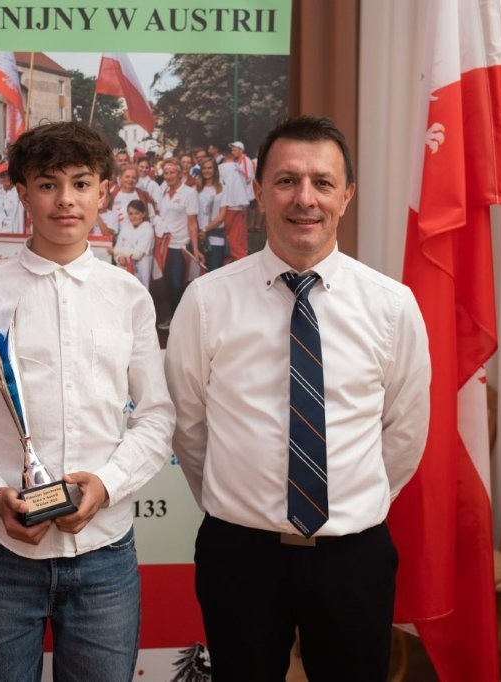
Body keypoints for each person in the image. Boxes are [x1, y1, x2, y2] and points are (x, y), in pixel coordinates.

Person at [164, 115, 431, 681]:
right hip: (240, 556)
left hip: (353, 556)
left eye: (322, 182)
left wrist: (355, 504)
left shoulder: (392, 306)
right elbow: (189, 428)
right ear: (260, 193)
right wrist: (240, 502)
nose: (304, 198)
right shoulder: (207, 302)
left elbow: (405, 433)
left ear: (347, 195)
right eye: (286, 181)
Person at [0, 121, 174, 682]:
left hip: (106, 553)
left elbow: (157, 417)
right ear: (22, 193)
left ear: (104, 190)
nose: (66, 200)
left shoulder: (129, 296)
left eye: (81, 183)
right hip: (2, 557)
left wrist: (106, 485)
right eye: (48, 184)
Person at [155, 158, 203, 327]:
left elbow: (192, 223)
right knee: (167, 283)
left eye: (172, 172)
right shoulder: (163, 192)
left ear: (180, 173)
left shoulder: (189, 193)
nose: (168, 176)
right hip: (164, 246)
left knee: (177, 284)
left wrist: (195, 249)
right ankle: (175, 318)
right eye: (166, 173)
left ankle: (181, 321)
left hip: (180, 245)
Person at [110, 199, 155, 287]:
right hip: (123, 272)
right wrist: (119, 258)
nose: (133, 217)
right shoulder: (125, 228)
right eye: (130, 214)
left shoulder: (147, 230)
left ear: (143, 214)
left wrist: (116, 250)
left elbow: (137, 254)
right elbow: (118, 249)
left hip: (140, 274)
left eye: (137, 213)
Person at [195, 159, 228, 270]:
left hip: (215, 236)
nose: (207, 171)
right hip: (199, 236)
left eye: (210, 168)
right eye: (204, 168)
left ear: (215, 170)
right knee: (200, 270)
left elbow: (221, 216)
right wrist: (200, 232)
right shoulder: (196, 188)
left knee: (215, 269)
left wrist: (205, 230)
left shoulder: (222, 189)